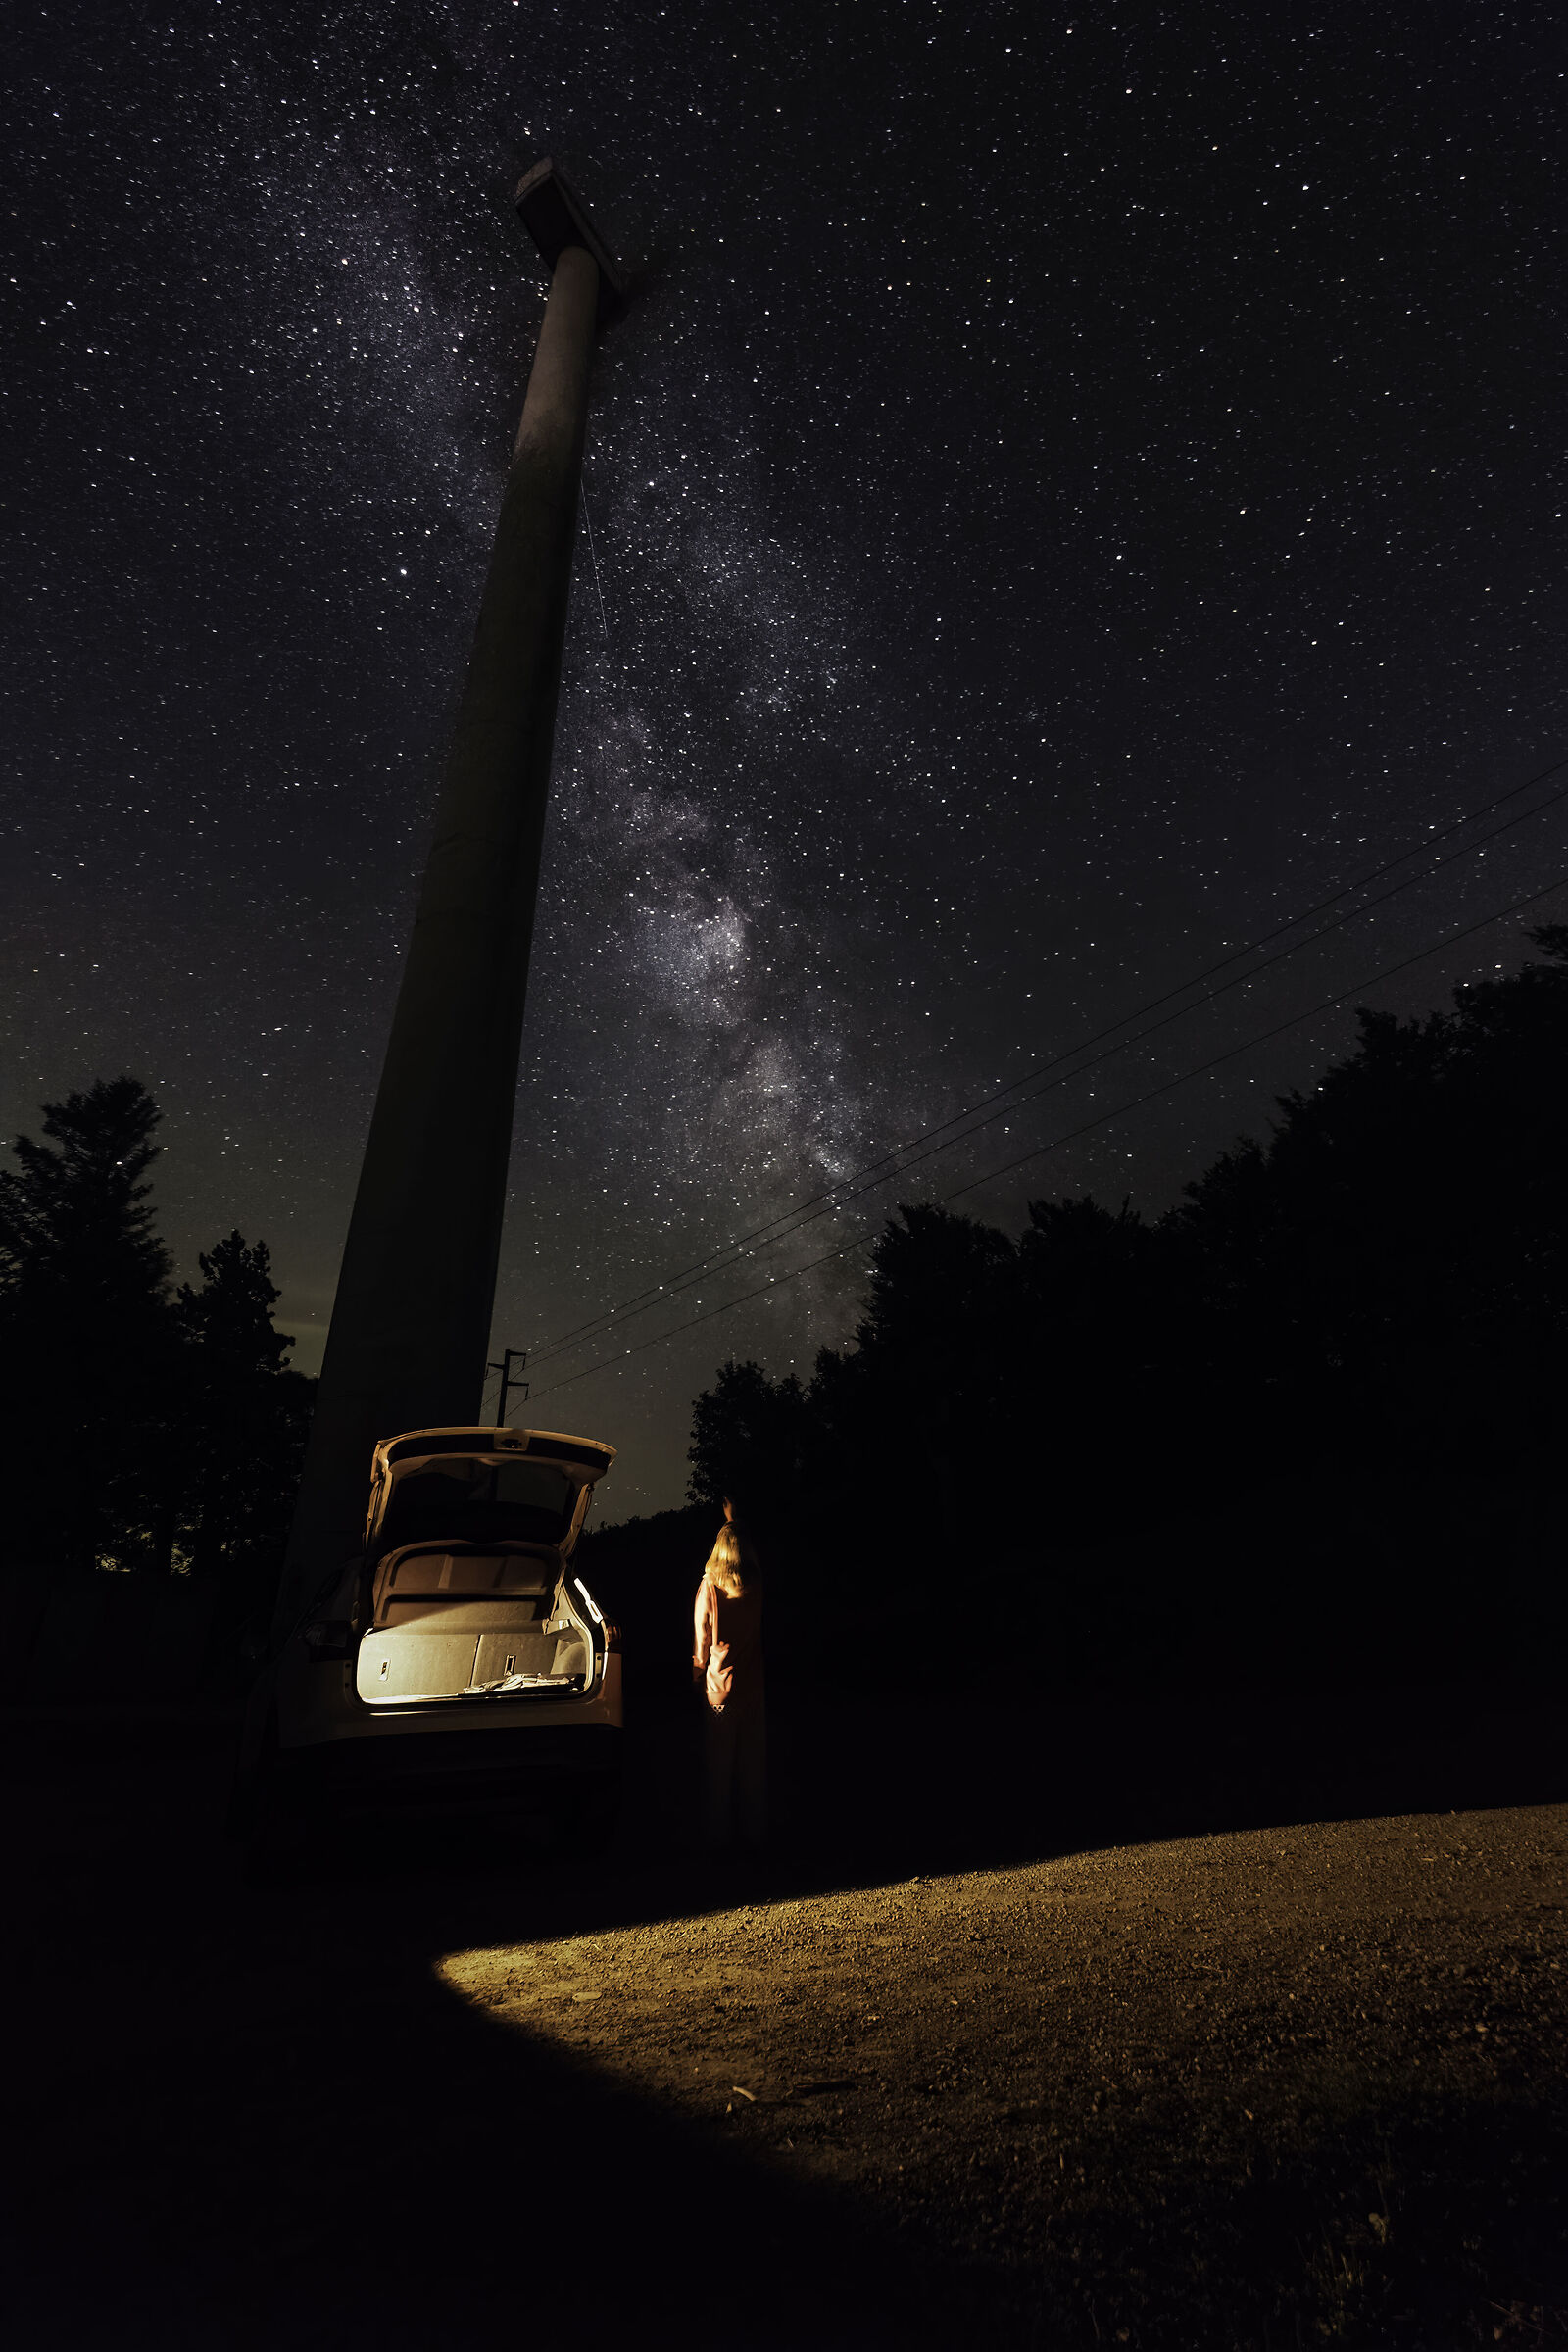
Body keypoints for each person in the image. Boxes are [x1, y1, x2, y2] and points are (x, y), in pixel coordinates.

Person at [692, 1498, 766, 1851]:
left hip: (719, 1690)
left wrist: (695, 1677)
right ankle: (754, 1837)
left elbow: (701, 1638)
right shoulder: (757, 1585)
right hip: (753, 1687)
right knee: (752, 1767)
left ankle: (718, 1842)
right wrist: (735, 1521)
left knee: (719, 1770)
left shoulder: (709, 1587)